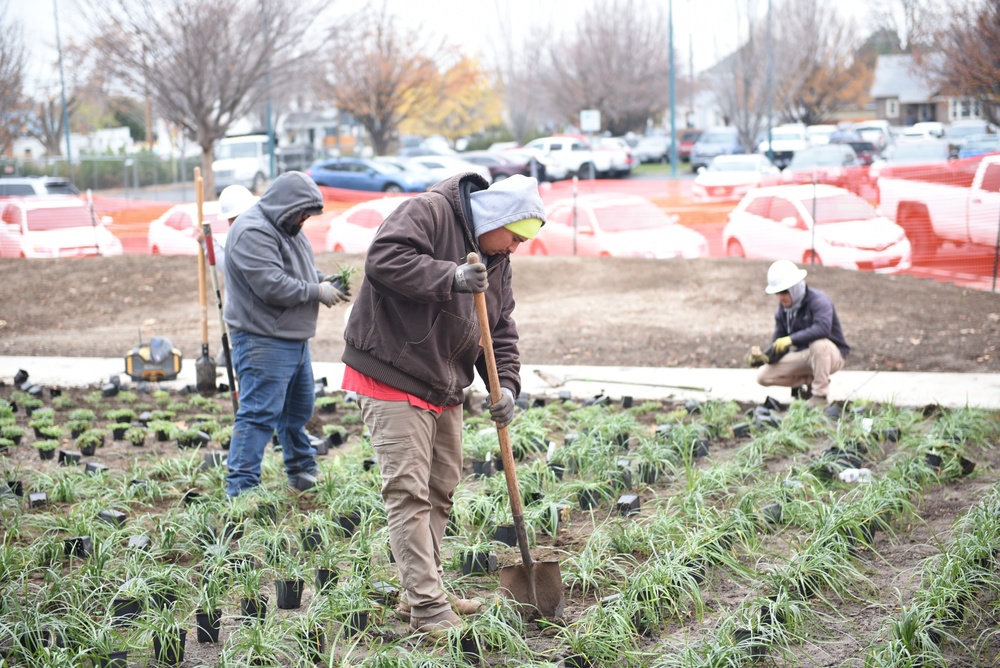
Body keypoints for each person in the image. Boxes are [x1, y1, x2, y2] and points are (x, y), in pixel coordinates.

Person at [341, 173, 545, 638]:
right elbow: (384, 260)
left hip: (443, 383)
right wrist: (448, 276)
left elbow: (501, 326)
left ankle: (419, 589)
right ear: (498, 217)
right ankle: (429, 607)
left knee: (440, 489)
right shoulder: (430, 212)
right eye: (514, 236)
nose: (514, 247)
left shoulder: (496, 259)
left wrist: (507, 386)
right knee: (408, 492)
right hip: (392, 370)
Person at [222, 171, 348, 497]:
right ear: (285, 205)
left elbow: (298, 270)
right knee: (259, 413)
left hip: (290, 335)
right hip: (262, 338)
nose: (305, 219)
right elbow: (272, 285)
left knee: (298, 408)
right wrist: (316, 291)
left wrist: (323, 280)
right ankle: (242, 488)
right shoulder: (251, 230)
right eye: (302, 212)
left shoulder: (288, 227)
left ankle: (301, 467)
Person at [756, 260, 850, 408]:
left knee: (818, 344)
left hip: (831, 355)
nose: (781, 297)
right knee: (763, 377)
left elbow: (823, 329)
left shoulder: (818, 301)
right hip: (805, 357)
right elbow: (779, 343)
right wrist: (764, 357)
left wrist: (790, 339)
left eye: (784, 292)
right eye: (777, 293)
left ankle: (820, 395)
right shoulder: (783, 311)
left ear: (795, 287)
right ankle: (810, 382)